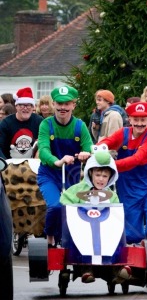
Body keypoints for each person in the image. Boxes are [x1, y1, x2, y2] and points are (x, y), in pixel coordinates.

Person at [59, 146, 128, 283]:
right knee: (84, 238)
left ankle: (118, 270)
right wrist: (76, 206)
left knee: (116, 234)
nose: (101, 179)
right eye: (98, 175)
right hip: (83, 228)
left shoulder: (112, 195)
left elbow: (115, 212)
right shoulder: (77, 189)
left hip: (105, 230)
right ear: (90, 173)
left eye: (105, 176)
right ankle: (86, 270)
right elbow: (64, 200)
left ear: (110, 177)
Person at [99, 102, 147, 244]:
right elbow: (107, 142)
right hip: (127, 187)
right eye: (136, 119)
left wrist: (110, 165)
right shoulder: (123, 133)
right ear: (130, 119)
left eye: (143, 119)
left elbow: (136, 159)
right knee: (132, 233)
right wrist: (95, 150)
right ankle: (136, 261)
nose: (139, 123)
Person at [38, 86, 93, 248]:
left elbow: (89, 146)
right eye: (59, 103)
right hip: (49, 174)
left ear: (73, 105)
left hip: (72, 176)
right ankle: (49, 239)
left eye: (67, 103)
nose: (63, 107)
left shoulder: (80, 126)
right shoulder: (46, 125)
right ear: (53, 104)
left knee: (73, 209)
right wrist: (57, 161)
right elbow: (43, 149)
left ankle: (68, 240)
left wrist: (86, 153)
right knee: (55, 205)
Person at [0, 87, 43, 159]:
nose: (25, 108)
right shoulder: (6, 123)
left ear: (33, 107)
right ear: (16, 106)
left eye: (29, 105)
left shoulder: (39, 122)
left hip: (34, 164)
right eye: (22, 105)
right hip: (10, 164)